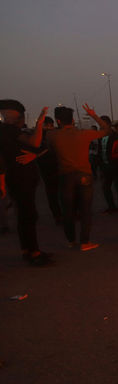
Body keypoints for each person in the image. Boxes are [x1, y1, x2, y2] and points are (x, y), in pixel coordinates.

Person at [47, 104, 111, 251]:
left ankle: (70, 240)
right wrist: (94, 115)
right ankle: (85, 242)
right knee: (85, 210)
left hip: (65, 176)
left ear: (58, 121)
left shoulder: (52, 135)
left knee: (68, 210)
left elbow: (50, 151)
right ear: (73, 119)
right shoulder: (84, 134)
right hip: (84, 175)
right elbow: (106, 130)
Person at [0, 100, 52, 265]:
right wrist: (40, 123)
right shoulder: (7, 129)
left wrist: (33, 155)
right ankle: (34, 253)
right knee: (28, 215)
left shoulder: (10, 130)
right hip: (20, 178)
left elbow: (40, 147)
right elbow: (35, 143)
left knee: (24, 215)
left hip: (18, 178)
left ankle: (28, 250)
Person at [35, 116, 62, 224]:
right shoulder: (57, 134)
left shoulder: (37, 136)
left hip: (46, 169)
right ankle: (67, 213)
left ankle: (57, 216)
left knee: (52, 194)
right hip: (59, 167)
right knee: (63, 192)